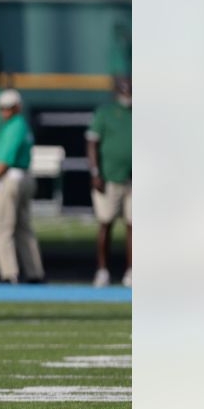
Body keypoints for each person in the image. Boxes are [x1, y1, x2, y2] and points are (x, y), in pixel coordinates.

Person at [0, 89, 45, 284]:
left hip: (12, 179)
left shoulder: (14, 127)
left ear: (16, 108)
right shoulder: (21, 125)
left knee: (2, 227)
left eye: (7, 108)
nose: (4, 112)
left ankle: (9, 273)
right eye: (2, 109)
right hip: (25, 177)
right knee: (23, 227)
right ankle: (34, 271)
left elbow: (4, 161)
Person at [88, 76, 132, 288]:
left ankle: (132, 271)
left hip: (133, 178)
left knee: (133, 226)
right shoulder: (105, 113)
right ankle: (103, 270)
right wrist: (96, 172)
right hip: (110, 177)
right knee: (106, 222)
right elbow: (92, 143)